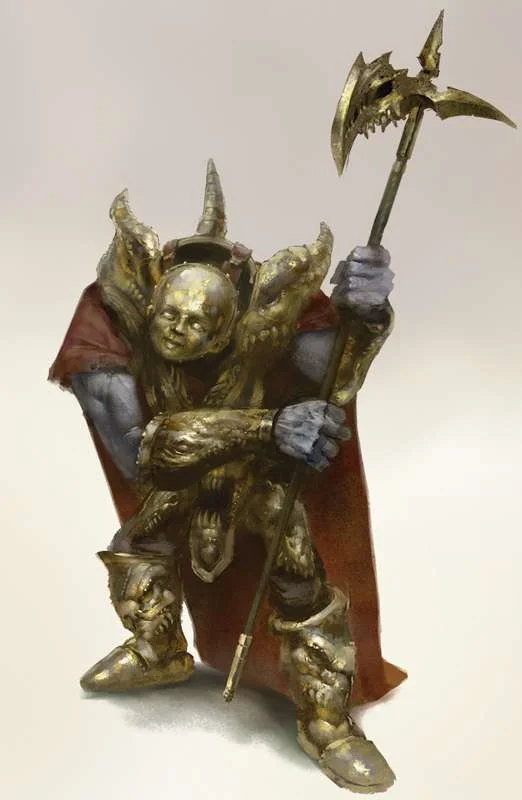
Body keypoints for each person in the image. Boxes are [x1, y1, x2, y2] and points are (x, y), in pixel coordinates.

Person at [50, 159, 405, 793]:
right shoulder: (111, 320)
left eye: (198, 324)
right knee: (140, 542)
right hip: (178, 471)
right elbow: (140, 454)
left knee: (296, 566)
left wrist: (363, 314)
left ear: (228, 327)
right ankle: (160, 649)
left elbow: (334, 378)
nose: (178, 332)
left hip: (260, 481)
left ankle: (326, 719)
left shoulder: (265, 323)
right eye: (170, 317)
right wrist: (268, 427)